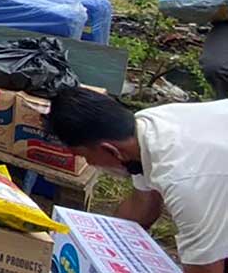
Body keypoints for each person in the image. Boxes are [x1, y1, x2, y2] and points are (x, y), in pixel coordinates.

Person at [47, 88, 228, 273]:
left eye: (84, 156)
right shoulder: (144, 128)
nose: (89, 163)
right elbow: (143, 206)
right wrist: (100, 247)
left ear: (111, 150)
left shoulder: (183, 182)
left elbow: (205, 267)